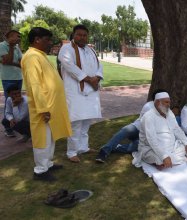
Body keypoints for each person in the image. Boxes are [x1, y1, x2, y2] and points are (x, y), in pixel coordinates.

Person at [21, 27, 72, 182]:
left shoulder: (39, 55)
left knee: (51, 137)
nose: (50, 43)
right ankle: (40, 171)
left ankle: (48, 164)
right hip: (43, 108)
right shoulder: (31, 57)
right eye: (47, 40)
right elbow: (34, 84)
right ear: (37, 39)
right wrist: (43, 108)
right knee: (42, 139)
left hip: (51, 106)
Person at [58, 24, 103, 163]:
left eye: (84, 35)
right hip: (75, 92)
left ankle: (83, 147)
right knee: (76, 123)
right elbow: (70, 67)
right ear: (73, 35)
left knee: (86, 122)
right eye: (79, 34)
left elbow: (99, 66)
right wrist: (89, 79)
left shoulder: (90, 50)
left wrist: (97, 77)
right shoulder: (66, 49)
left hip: (91, 92)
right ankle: (72, 152)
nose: (82, 37)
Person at [95, 89, 166, 163]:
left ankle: (116, 147)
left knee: (137, 145)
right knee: (125, 130)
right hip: (137, 128)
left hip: (145, 135)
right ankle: (104, 152)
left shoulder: (165, 107)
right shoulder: (149, 106)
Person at [132, 92, 187, 170]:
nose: (168, 105)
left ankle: (167, 161)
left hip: (172, 147)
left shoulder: (169, 113)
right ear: (157, 102)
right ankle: (184, 159)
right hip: (151, 148)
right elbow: (152, 140)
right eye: (166, 102)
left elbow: (177, 129)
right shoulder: (148, 117)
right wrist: (164, 156)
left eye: (169, 102)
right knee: (159, 158)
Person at [0, 30, 23, 137]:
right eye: (17, 36)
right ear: (9, 37)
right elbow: (6, 61)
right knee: (9, 101)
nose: (19, 38)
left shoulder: (16, 47)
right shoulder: (2, 46)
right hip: (8, 79)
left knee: (18, 101)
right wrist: (10, 46)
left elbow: (21, 61)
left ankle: (16, 125)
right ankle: (7, 127)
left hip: (18, 78)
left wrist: (15, 64)